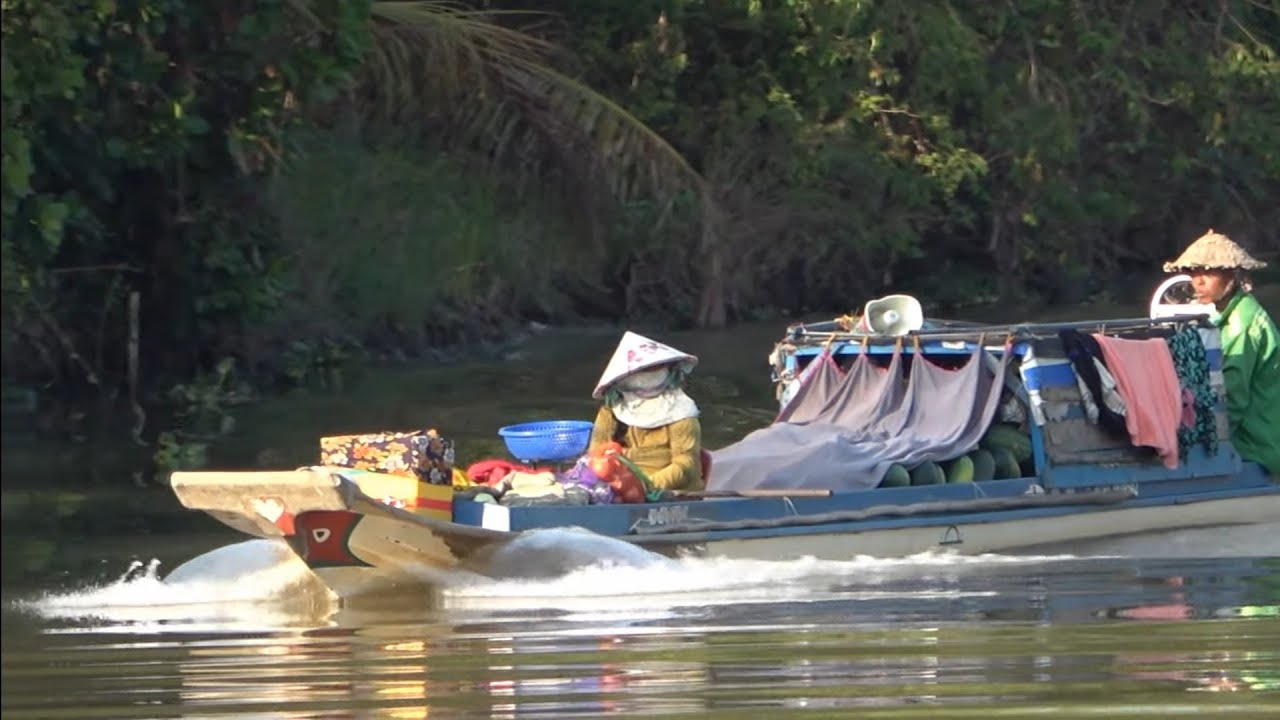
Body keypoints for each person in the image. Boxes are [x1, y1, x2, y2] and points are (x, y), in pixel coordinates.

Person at [1164, 229, 1279, 474]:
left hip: (1256, 446)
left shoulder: (1242, 324)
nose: (1198, 281)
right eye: (1194, 272)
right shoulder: (1226, 315)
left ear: (1232, 277)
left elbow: (1232, 397)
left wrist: (1205, 444)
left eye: (1208, 273)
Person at [588, 331, 705, 492]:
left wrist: (646, 487)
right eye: (638, 381)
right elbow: (596, 454)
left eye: (655, 378)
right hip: (618, 486)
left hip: (667, 491)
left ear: (669, 375)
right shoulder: (611, 411)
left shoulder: (681, 413)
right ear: (623, 381)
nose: (647, 387)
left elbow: (685, 465)